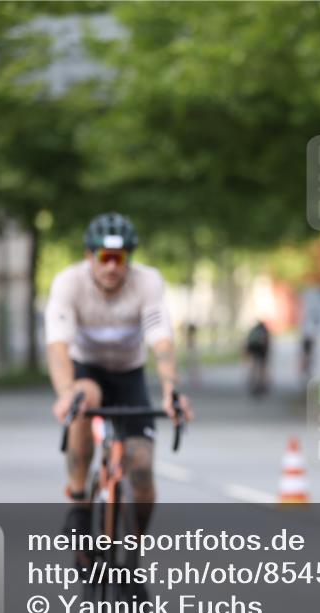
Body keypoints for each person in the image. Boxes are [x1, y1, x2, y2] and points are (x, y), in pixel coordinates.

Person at [45, 212, 194, 540]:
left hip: (130, 374)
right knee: (84, 400)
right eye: (104, 257)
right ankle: (79, 502)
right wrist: (66, 391)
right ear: (90, 256)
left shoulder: (148, 282)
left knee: (141, 472)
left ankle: (131, 558)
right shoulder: (69, 283)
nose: (112, 266)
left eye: (120, 257)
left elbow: (162, 340)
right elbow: (58, 346)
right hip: (86, 370)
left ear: (129, 258)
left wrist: (171, 389)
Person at [245, 319, 271, 396]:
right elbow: (267, 342)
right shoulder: (264, 330)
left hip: (253, 348)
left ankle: (252, 379)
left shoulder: (253, 330)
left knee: (253, 365)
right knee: (262, 367)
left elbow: (248, 341)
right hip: (261, 349)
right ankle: (261, 383)